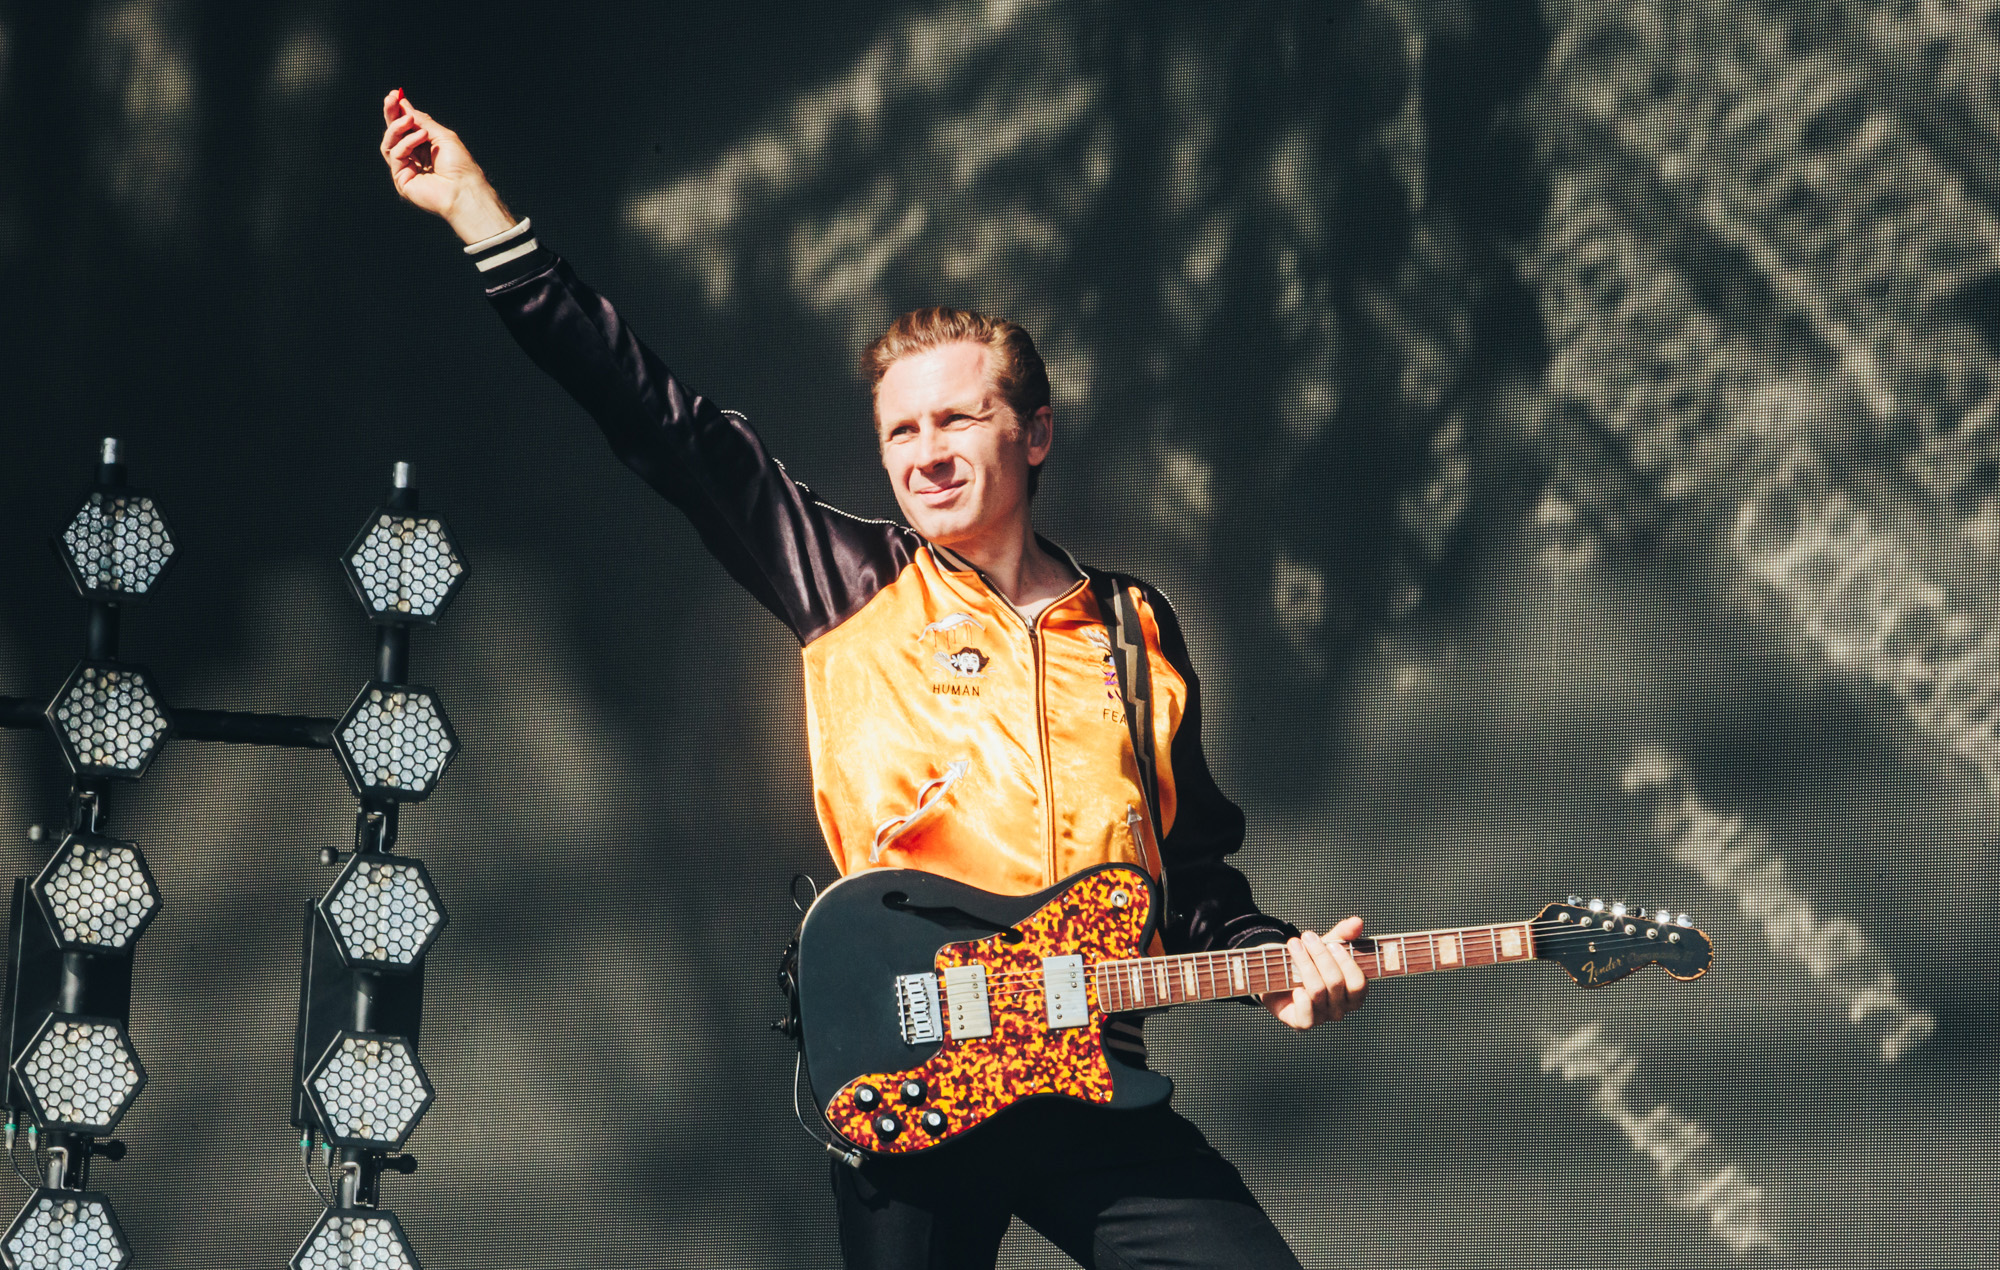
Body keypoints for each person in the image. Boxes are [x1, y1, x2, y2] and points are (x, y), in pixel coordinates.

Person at [378, 88, 1368, 1270]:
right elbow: (660, 424)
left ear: (1034, 433)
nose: (926, 454)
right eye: (901, 432)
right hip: (917, 1081)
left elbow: (1190, 872)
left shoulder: (1133, 625)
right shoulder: (848, 579)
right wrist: (482, 218)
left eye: (956, 420)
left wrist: (1278, 965)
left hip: (1093, 1073)